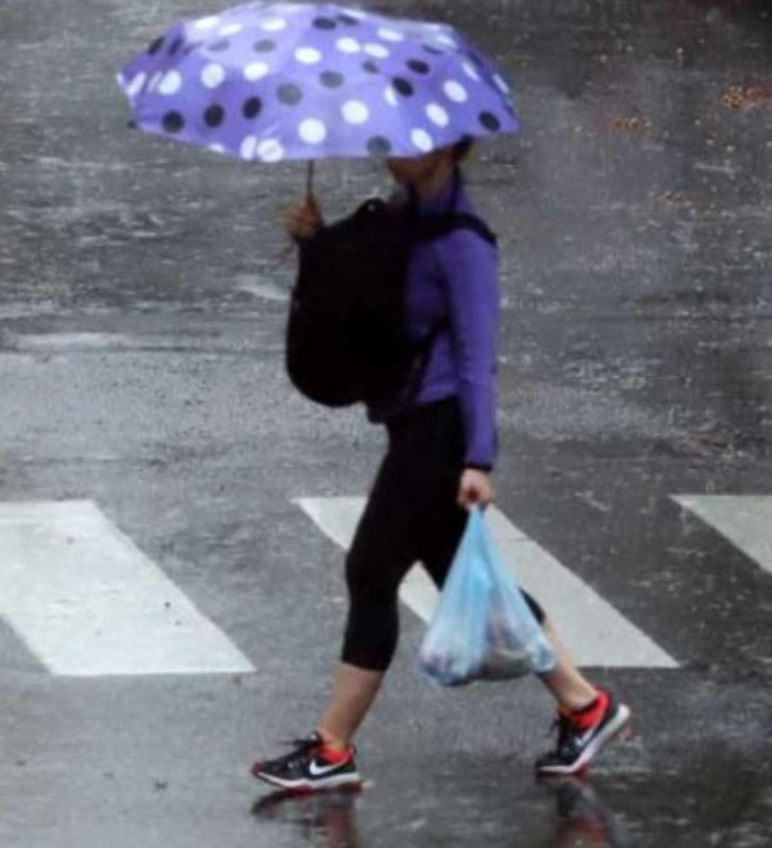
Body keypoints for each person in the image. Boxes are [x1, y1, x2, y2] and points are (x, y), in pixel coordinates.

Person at [251, 142, 630, 793]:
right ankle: (585, 705)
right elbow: (362, 298)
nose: (396, 152)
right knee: (463, 574)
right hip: (409, 422)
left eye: (413, 142)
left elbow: (480, 360)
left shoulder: (464, 243)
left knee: (370, 568)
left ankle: (334, 748)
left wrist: (479, 457)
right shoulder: (404, 219)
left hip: (443, 431)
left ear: (451, 147)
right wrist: (313, 243)